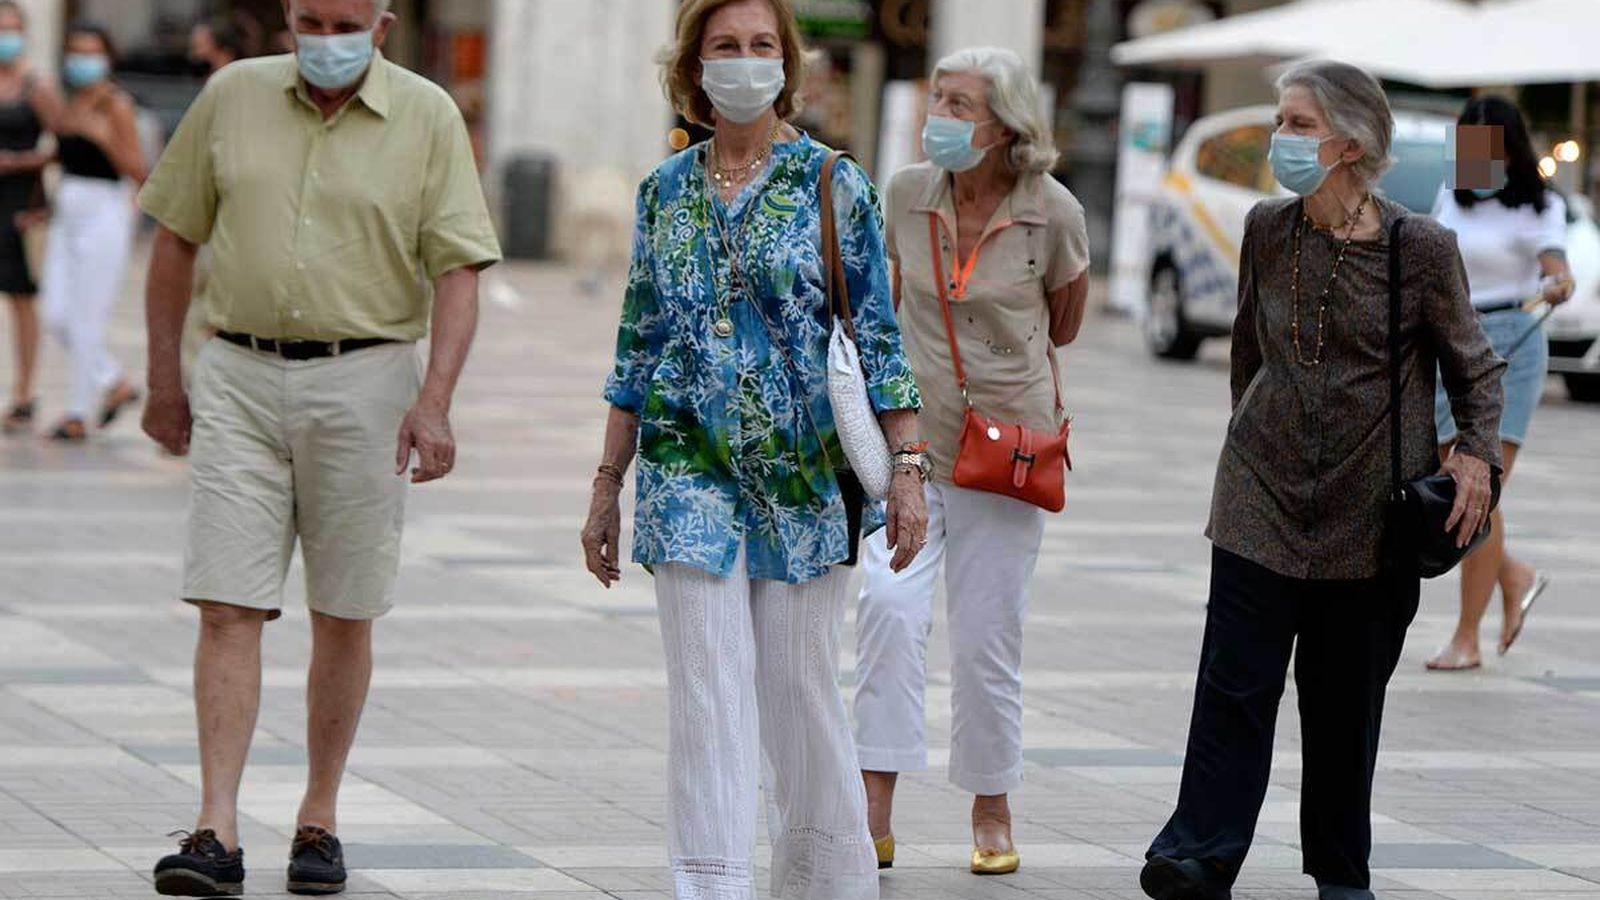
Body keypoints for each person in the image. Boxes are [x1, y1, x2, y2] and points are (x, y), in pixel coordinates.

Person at [136, 0, 500, 894]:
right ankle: (215, 828)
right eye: (309, 18)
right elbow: (174, 242)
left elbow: (458, 270)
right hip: (238, 370)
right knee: (226, 601)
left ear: (380, 25)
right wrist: (162, 380)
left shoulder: (426, 114)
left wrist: (436, 402)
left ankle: (318, 819)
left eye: (343, 22)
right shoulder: (231, 95)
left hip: (367, 378)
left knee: (344, 609)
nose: (323, 39)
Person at [579, 1, 928, 896]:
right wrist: (606, 483)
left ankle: (821, 878)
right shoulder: (663, 191)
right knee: (706, 693)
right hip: (686, 474)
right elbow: (637, 345)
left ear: (787, 62)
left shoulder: (834, 182)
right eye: (725, 46)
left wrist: (910, 472)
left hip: (804, 478)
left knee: (800, 689)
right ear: (695, 67)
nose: (744, 62)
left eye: (761, 46)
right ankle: (712, 884)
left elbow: (879, 338)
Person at [1139, 61, 1504, 900]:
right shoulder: (1268, 228)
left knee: (1343, 707)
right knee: (1233, 687)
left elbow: (1474, 369)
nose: (1282, 140)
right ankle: (1200, 852)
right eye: (1282, 121)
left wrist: (1476, 454)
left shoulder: (1420, 249)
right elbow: (1246, 353)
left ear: (1350, 143)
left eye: (1299, 125)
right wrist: (1253, 444)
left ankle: (1340, 873)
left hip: (1369, 513)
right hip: (1258, 497)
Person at [851, 46, 1090, 876]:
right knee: (885, 608)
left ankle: (992, 803)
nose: (939, 117)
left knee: (988, 638)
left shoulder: (1052, 211)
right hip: (911, 446)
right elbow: (883, 305)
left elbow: (1064, 324)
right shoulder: (908, 192)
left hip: (1007, 451)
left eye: (960, 106)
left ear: (1006, 127)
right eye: (937, 99)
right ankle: (873, 801)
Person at [1424, 96, 1573, 672]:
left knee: (1477, 484)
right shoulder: (1450, 196)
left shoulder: (1540, 206)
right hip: (1449, 340)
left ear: (1513, 148)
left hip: (1511, 341)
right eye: (1469, 143)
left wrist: (1559, 281)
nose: (1477, 156)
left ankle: (1468, 637)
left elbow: (1555, 264)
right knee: (1446, 480)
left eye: (1490, 144)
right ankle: (1514, 575)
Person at [37, 21, 144, 442]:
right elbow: (59, 155)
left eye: (90, 52)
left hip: (104, 212)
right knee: (55, 311)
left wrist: (105, 140)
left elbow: (139, 168)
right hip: (66, 211)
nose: (81, 60)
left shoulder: (116, 104)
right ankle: (114, 381)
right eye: (75, 52)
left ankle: (78, 412)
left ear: (107, 57)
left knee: (87, 318)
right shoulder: (70, 101)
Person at [0, 0, 59, 435]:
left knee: (22, 299)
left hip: (19, 206)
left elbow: (63, 142)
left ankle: (24, 392)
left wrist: (20, 162)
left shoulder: (36, 86)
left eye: (13, 28)